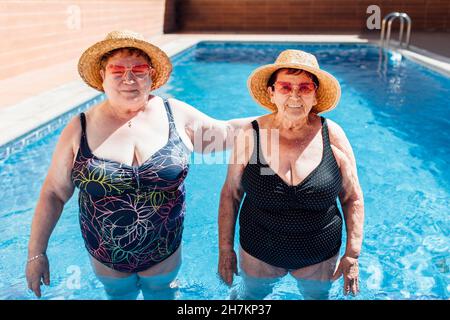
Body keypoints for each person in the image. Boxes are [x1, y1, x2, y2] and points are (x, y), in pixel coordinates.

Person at [25, 30, 253, 300]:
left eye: (139, 69)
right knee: (119, 295)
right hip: (106, 258)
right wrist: (36, 254)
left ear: (151, 75)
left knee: (162, 293)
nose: (129, 78)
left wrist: (281, 120)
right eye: (117, 70)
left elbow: (228, 131)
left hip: (164, 255)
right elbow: (53, 192)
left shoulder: (176, 115)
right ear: (102, 75)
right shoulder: (79, 128)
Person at [218, 50, 365, 300]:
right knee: (250, 299)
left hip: (319, 256)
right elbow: (231, 194)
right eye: (286, 87)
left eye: (305, 87)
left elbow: (353, 198)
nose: (295, 95)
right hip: (258, 252)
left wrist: (352, 254)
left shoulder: (333, 135)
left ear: (315, 93)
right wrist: (225, 250)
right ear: (272, 92)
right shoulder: (251, 135)